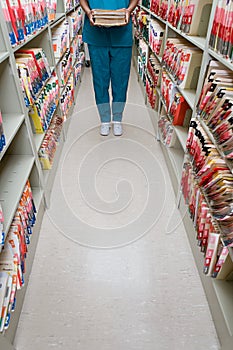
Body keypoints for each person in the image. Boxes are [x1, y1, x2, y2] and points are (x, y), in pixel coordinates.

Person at [80, 0, 138, 136]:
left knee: (121, 80)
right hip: (96, 32)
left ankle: (117, 118)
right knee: (100, 80)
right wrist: (88, 12)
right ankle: (104, 120)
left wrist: (128, 10)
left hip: (122, 33)